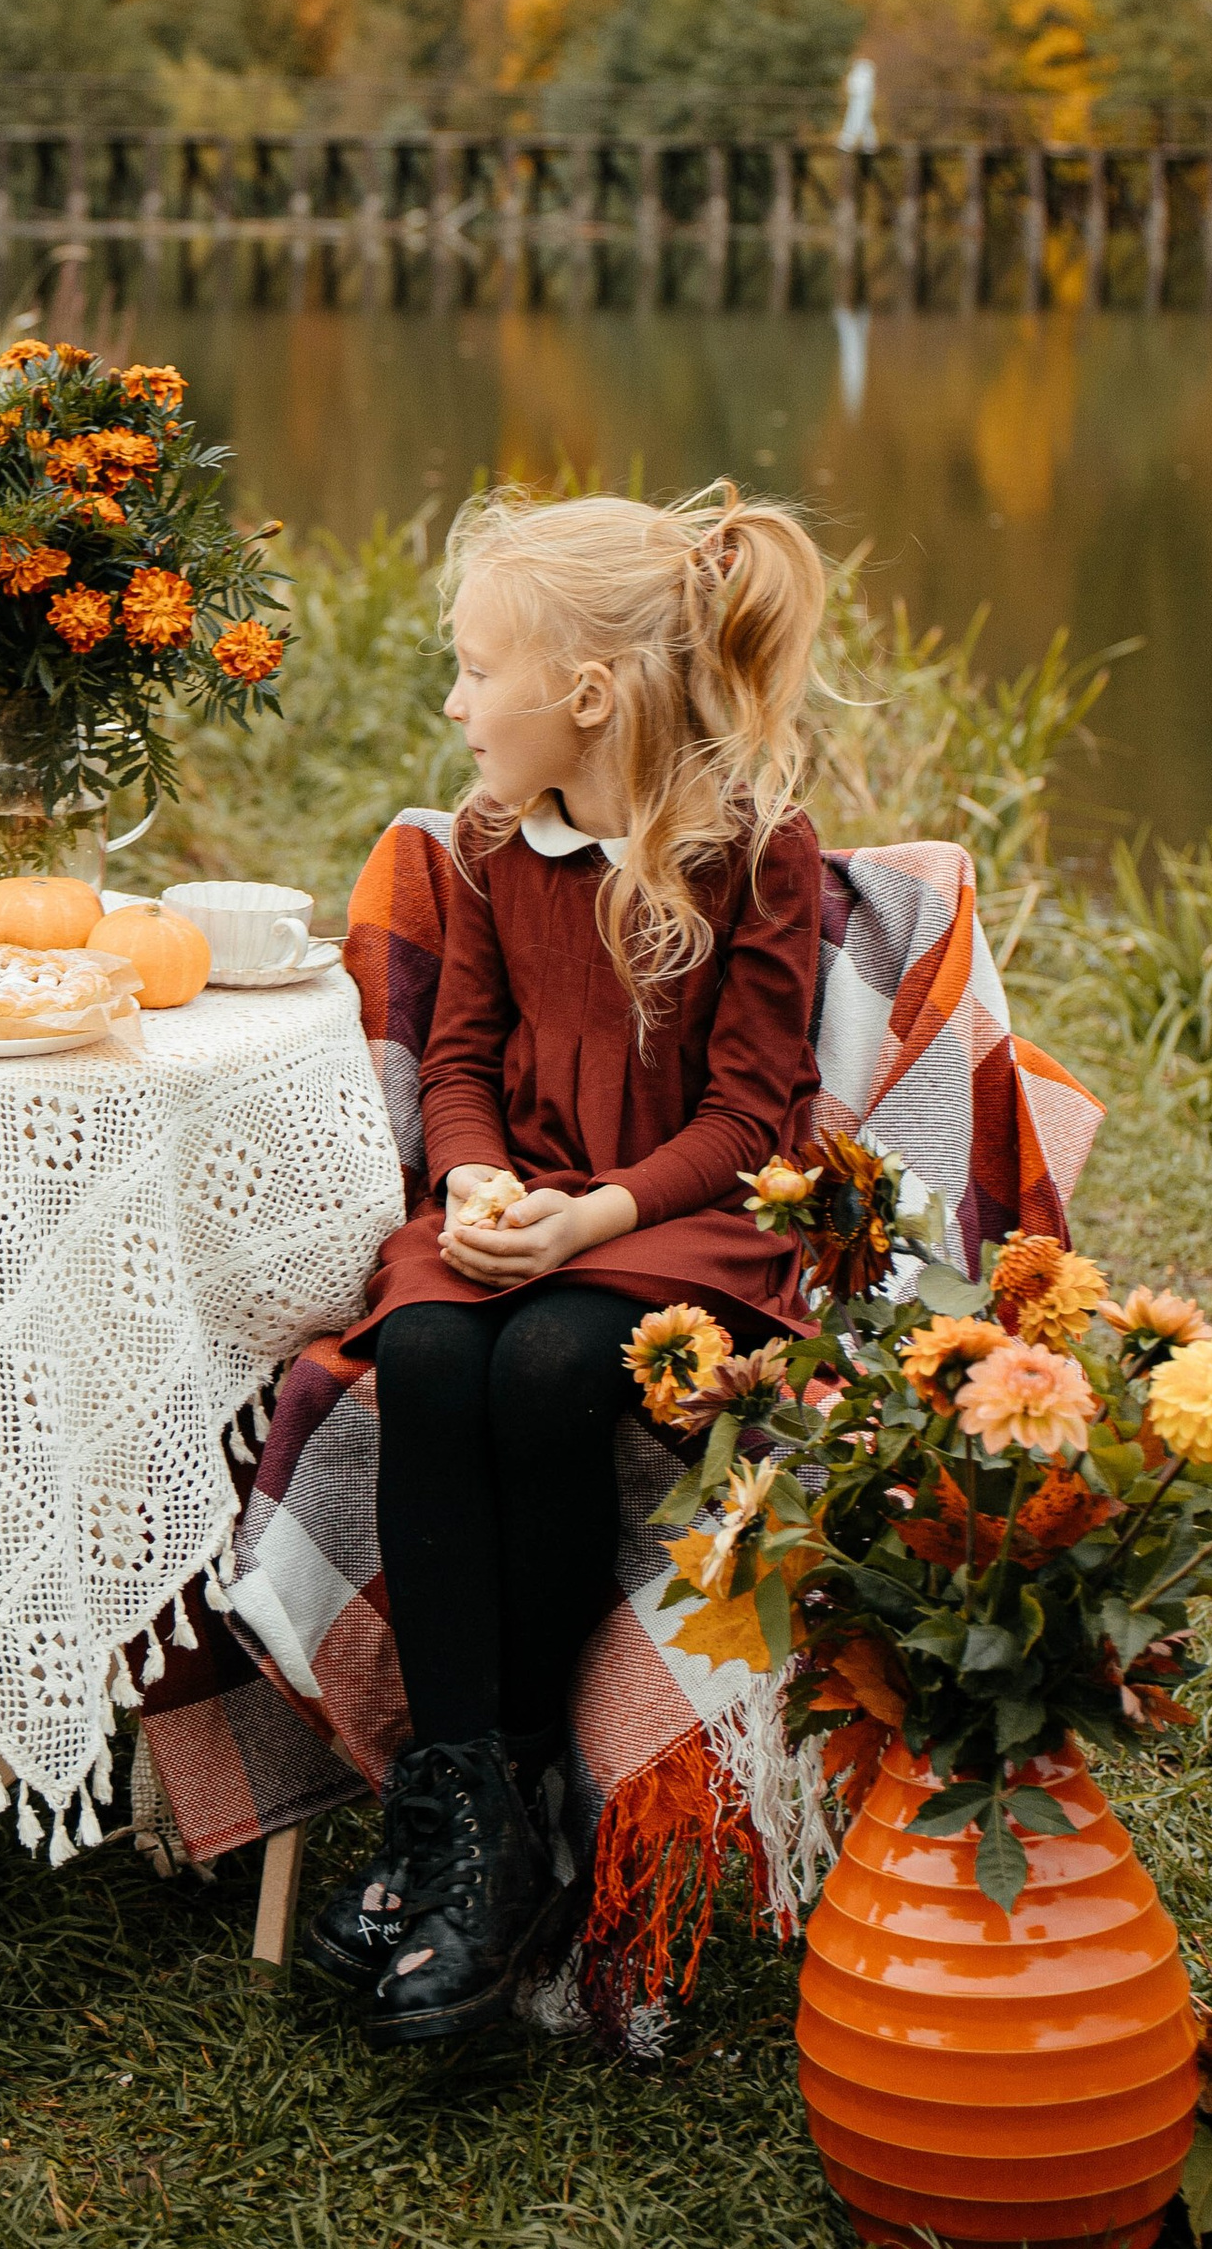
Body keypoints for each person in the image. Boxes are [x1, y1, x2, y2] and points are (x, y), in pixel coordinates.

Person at [313, 482, 830, 2042]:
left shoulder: (755, 849)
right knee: (424, 1349)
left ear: (587, 695)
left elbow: (750, 1113)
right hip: (523, 1199)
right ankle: (463, 1806)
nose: (457, 705)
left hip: (678, 1224)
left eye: (477, 670)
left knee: (545, 1364)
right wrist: (470, 1174)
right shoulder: (485, 844)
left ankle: (512, 1782)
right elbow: (460, 1054)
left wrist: (597, 1217)